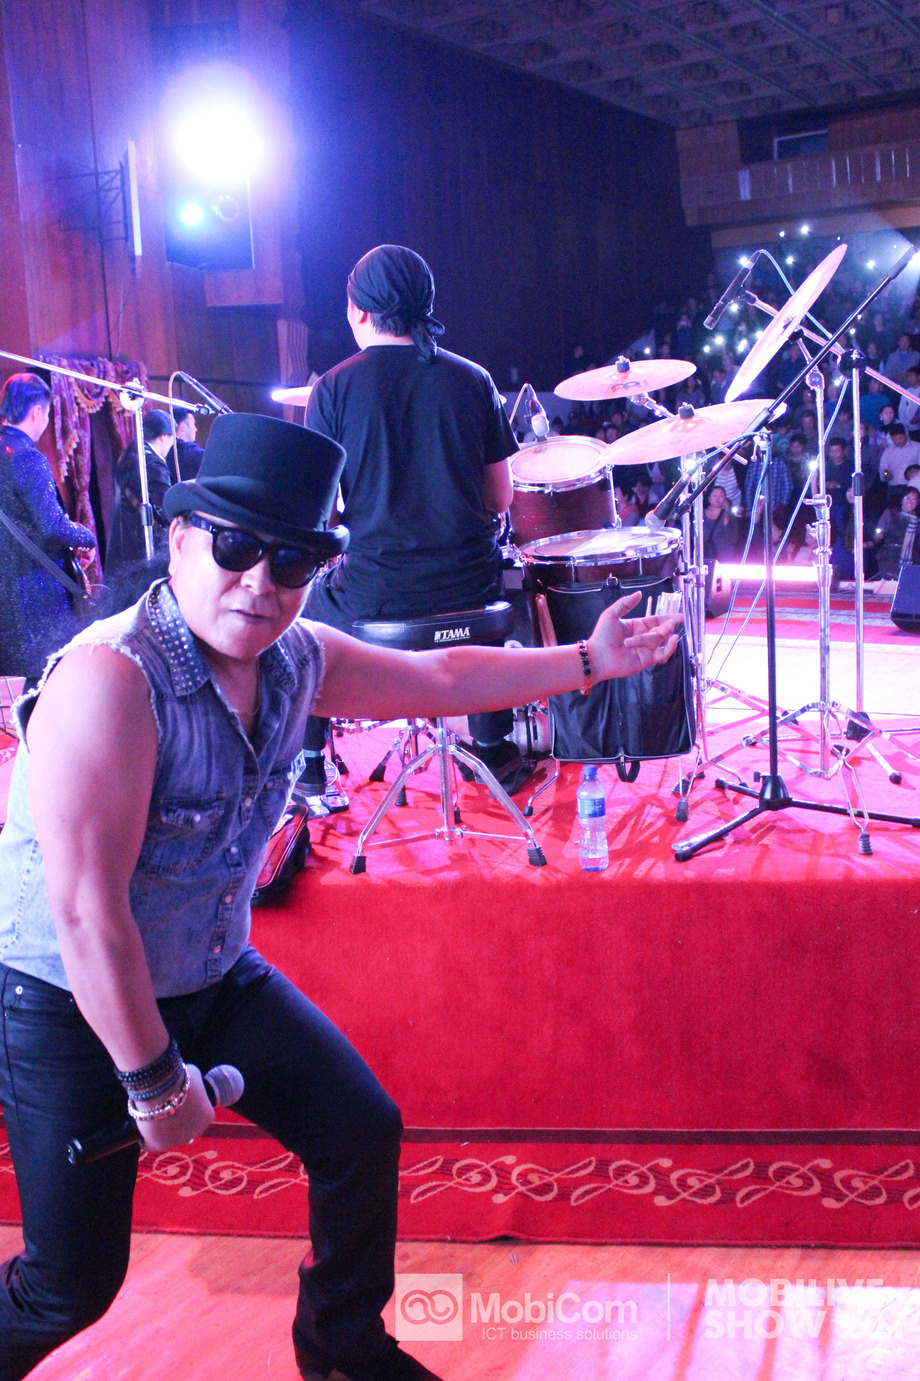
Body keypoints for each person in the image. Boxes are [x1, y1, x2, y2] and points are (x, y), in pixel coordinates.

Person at [0, 411, 682, 1381]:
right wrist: (152, 1080)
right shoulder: (111, 680)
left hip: (205, 969)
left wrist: (586, 662)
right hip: (68, 995)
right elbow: (85, 912)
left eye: (291, 560)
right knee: (69, 1284)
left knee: (358, 1128)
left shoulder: (294, 659)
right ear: (180, 539)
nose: (259, 582)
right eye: (234, 548)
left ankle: (342, 1348)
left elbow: (440, 675)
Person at [302, 244, 523, 792]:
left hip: (377, 593)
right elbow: (501, 498)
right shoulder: (474, 380)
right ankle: (493, 747)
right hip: (469, 589)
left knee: (299, 615)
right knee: (491, 575)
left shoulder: (332, 389)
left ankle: (308, 765)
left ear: (357, 310)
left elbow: (320, 514)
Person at [0, 372, 96, 682]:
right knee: (49, 679)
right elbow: (52, 527)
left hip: (6, 586)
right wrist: (87, 536)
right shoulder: (28, 457)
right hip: (36, 587)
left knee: (30, 683)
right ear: (37, 411)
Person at [105, 408, 176, 574]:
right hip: (142, 546)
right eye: (172, 439)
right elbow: (166, 510)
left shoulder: (129, 455)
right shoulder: (152, 465)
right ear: (163, 436)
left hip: (123, 543)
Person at [169, 405, 206, 483]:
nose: (196, 429)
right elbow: (214, 459)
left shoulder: (167, 448)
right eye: (193, 424)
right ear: (183, 426)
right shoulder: (187, 450)